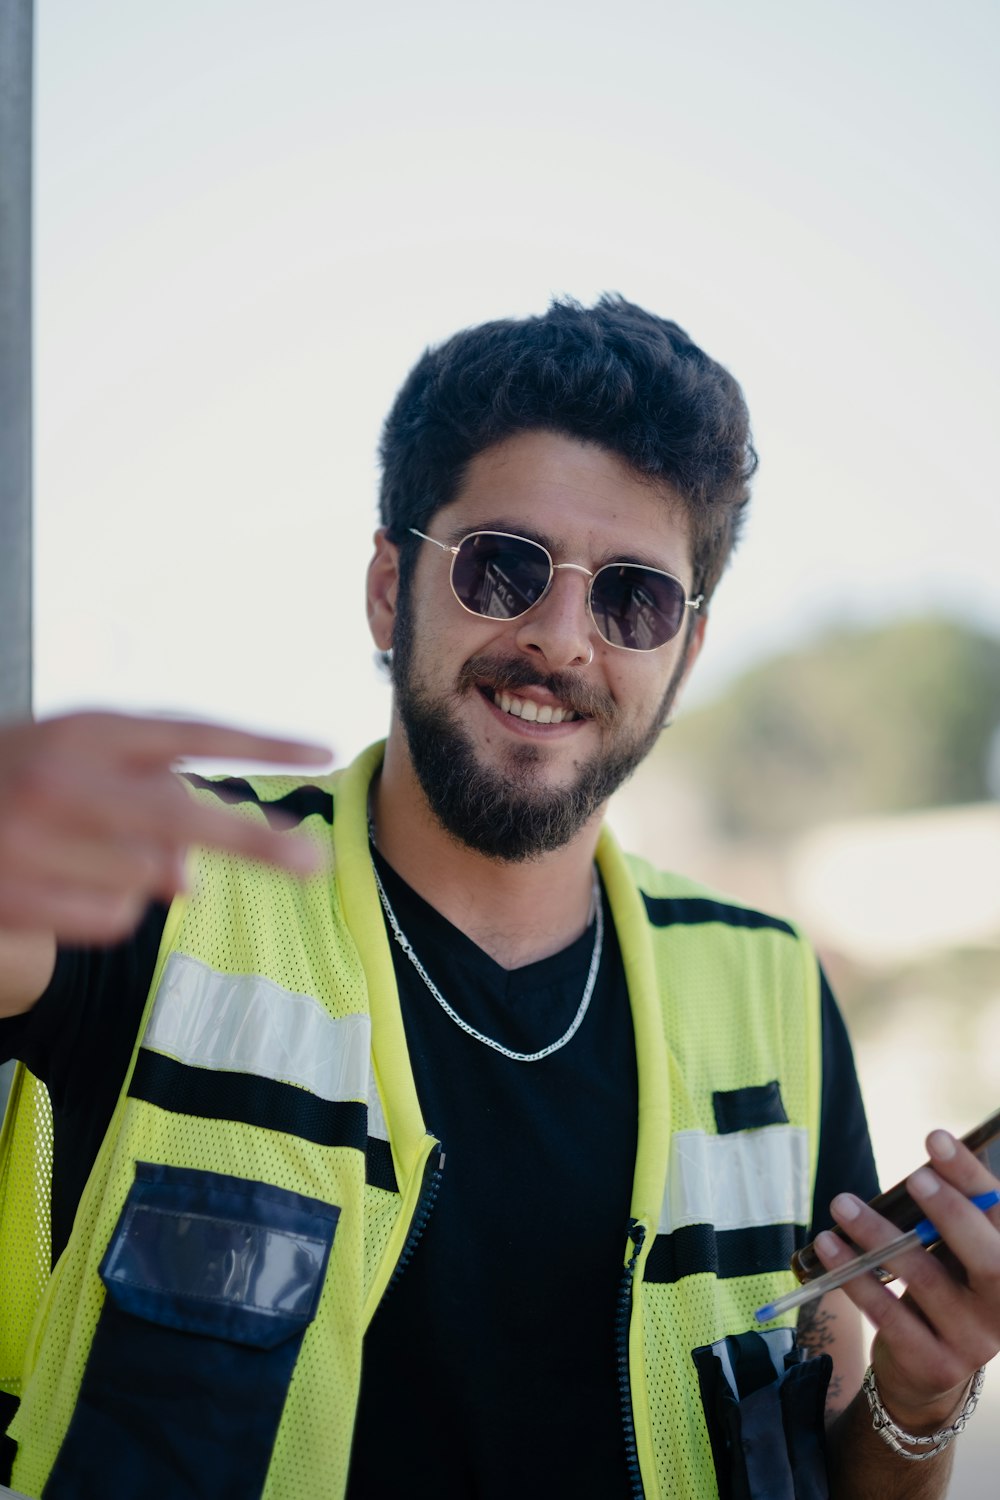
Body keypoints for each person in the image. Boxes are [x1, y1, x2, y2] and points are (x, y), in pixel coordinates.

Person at [0, 296, 996, 1499]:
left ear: (682, 653)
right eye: (504, 567)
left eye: (633, 597)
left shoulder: (769, 985)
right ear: (388, 588)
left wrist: (922, 1399)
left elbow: (830, 1454)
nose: (562, 638)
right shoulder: (175, 879)